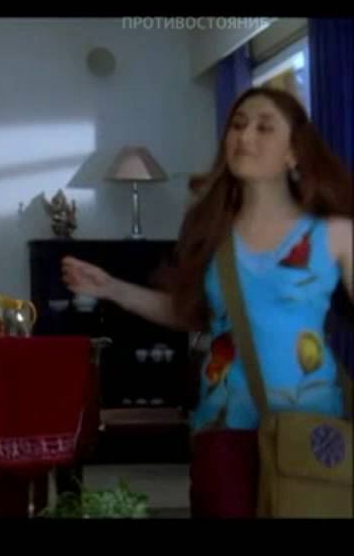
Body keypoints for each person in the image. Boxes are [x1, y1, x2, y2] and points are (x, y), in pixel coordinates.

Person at [61, 87, 353, 518]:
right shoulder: (210, 231)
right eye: (238, 125)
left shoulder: (336, 235)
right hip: (223, 426)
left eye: (264, 127)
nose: (245, 136)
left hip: (310, 425)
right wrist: (112, 288)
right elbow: (191, 314)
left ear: (294, 151)